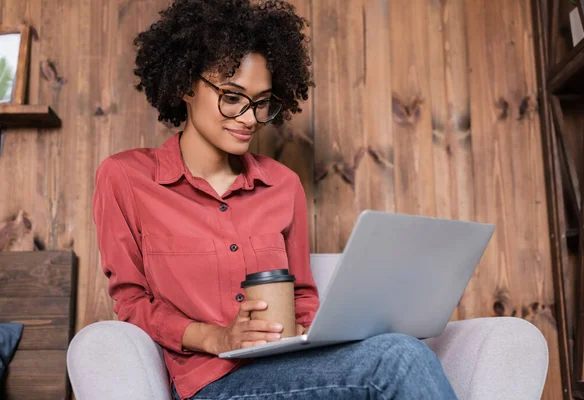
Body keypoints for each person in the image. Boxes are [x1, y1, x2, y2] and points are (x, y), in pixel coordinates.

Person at [92, 0, 459, 399]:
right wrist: (216, 336)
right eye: (232, 97)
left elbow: (302, 294)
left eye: (262, 102)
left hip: (291, 369)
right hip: (213, 384)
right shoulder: (127, 178)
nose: (250, 118)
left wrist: (306, 329)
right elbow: (131, 303)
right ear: (185, 85)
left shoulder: (282, 185)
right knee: (400, 358)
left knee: (401, 349)